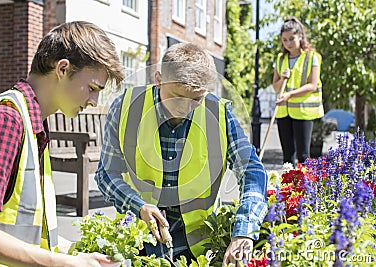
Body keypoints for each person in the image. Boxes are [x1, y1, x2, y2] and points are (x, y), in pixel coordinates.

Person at [95, 43, 268, 266]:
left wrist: (244, 231)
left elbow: (252, 170)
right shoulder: (125, 107)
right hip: (137, 241)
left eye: (197, 99)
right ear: (158, 79)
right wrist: (138, 206)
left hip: (200, 247)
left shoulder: (220, 114)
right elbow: (107, 173)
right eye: (177, 97)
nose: (186, 108)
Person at [0, 21, 124, 266]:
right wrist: (65, 264)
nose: (94, 101)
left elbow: (28, 233)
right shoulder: (6, 121)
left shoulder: (34, 124)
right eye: (92, 88)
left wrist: (78, 254)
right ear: (63, 69)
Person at [272, 17, 324, 165]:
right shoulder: (280, 59)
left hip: (303, 112)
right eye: (284, 40)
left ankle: (306, 187)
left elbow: (312, 85)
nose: (288, 43)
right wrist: (282, 79)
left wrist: (289, 95)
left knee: (303, 155)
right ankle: (289, 187)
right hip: (283, 112)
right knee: (288, 157)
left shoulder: (312, 57)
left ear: (300, 36)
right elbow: (275, 87)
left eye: (291, 39)